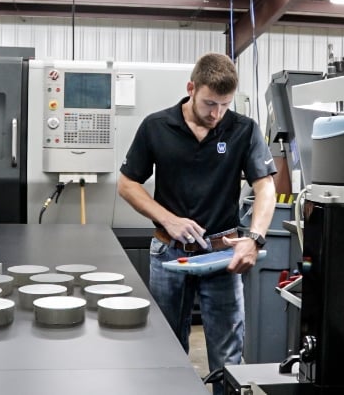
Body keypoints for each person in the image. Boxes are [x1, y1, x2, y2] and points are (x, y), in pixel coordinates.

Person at [118, 52, 276, 395]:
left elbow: (266, 188)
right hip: (168, 254)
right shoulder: (156, 126)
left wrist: (255, 238)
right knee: (166, 350)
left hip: (223, 256)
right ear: (191, 88)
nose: (216, 114)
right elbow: (127, 184)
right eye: (209, 103)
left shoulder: (244, 129)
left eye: (224, 105)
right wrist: (167, 219)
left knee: (228, 357)